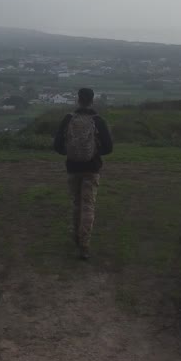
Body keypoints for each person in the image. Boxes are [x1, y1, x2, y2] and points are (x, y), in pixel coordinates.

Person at [54, 87, 114, 260]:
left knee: (76, 204)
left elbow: (57, 146)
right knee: (88, 205)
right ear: (92, 100)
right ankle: (84, 244)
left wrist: (71, 152)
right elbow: (109, 148)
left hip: (73, 168)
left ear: (78, 100)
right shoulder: (98, 120)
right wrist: (93, 152)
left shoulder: (68, 119)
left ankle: (76, 236)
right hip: (92, 169)